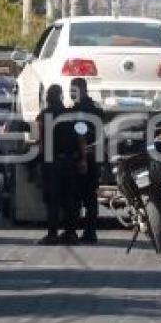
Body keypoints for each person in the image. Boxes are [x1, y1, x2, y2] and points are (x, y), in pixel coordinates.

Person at [36, 84, 78, 245]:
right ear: (60, 96)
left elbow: (42, 139)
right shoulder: (71, 115)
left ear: (48, 97)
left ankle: (52, 234)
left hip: (51, 162)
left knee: (52, 200)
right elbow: (80, 136)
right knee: (69, 199)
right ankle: (71, 234)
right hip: (70, 161)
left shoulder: (44, 116)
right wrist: (81, 158)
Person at [69, 77, 104, 244]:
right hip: (95, 156)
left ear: (80, 90)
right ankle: (91, 232)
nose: (70, 93)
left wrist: (82, 158)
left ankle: (74, 232)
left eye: (72, 90)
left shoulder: (80, 110)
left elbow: (81, 133)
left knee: (76, 196)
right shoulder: (96, 108)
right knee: (91, 197)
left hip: (83, 157)